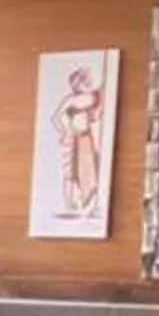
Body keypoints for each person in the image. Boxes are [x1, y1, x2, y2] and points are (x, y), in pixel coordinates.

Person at [53, 65, 107, 217]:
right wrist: (65, 132)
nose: (87, 84)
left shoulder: (92, 97)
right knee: (70, 171)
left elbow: (96, 113)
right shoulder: (71, 100)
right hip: (74, 137)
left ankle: (87, 200)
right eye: (84, 81)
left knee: (89, 168)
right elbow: (56, 117)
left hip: (86, 137)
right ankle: (69, 203)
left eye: (87, 81)